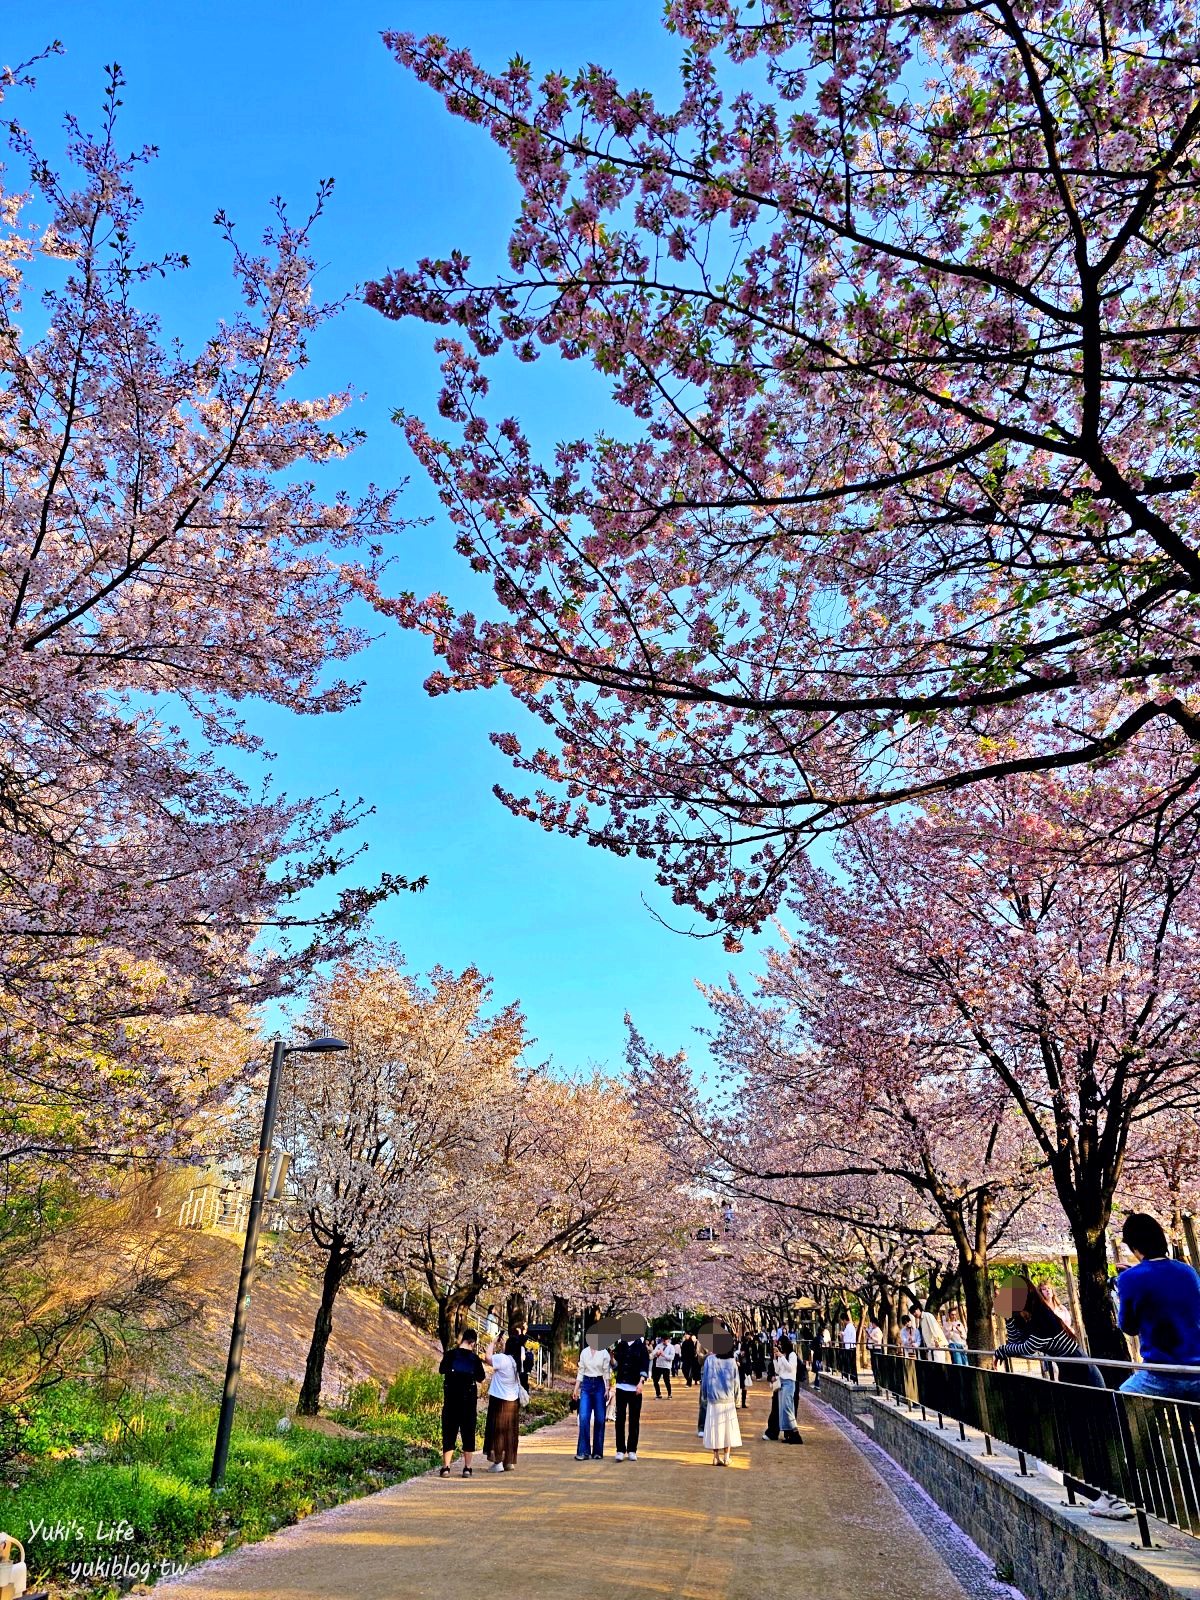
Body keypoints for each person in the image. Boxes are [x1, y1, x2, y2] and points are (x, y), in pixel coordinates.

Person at [1117, 1212, 1200, 1400]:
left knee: (1119, 1400)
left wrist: (1123, 1288)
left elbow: (1128, 1327)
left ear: (1134, 1246)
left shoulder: (1129, 1279)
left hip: (1161, 1373)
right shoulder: (1188, 1272)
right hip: (1197, 1369)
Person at [995, 1277, 1104, 1388]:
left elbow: (1028, 1348)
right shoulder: (1026, 1319)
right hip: (1065, 1367)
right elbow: (1015, 1343)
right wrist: (1008, 1318)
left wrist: (1004, 1350)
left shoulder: (1042, 1317)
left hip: (1082, 1368)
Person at [439, 1327, 486, 1478]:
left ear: (462, 1340)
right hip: (468, 1401)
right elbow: (481, 1377)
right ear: (473, 1343)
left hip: (451, 1399)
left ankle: (446, 1467)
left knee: (449, 1432)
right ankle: (467, 1468)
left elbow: (442, 1370)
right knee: (468, 1433)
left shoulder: (450, 1355)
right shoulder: (475, 1359)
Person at [483, 1331, 524, 1473]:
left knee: (497, 1430)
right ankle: (509, 1462)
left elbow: (487, 1358)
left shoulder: (503, 1359)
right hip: (513, 1401)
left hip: (499, 1400)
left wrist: (493, 1342)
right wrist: (504, 1344)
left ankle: (498, 1462)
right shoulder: (516, 1361)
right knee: (509, 1431)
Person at [701, 1330, 743, 1465]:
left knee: (715, 1427)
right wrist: (737, 1400)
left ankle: (715, 1456)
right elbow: (737, 1383)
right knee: (727, 1429)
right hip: (728, 1399)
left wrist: (705, 1396)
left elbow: (705, 1380)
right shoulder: (732, 1362)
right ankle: (726, 1457)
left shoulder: (710, 1360)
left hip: (714, 1399)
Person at [573, 1326, 613, 1459]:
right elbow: (581, 1371)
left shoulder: (604, 1353)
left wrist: (607, 1388)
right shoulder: (584, 1352)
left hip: (600, 1385)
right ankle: (583, 1451)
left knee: (600, 1419)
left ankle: (597, 1451)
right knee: (583, 1417)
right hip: (586, 1385)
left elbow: (607, 1372)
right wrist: (576, 1389)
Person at [612, 1329, 650, 1461]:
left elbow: (644, 1365)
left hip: (635, 1387)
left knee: (634, 1419)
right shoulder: (621, 1344)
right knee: (620, 1418)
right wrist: (612, 1358)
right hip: (621, 1385)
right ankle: (620, 1449)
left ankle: (632, 1449)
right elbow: (616, 1366)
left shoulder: (641, 1346)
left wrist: (641, 1382)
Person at [773, 1335, 803, 1443]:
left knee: (788, 1408)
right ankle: (789, 1434)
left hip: (789, 1383)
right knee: (783, 1409)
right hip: (782, 1383)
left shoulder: (792, 1355)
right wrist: (775, 1358)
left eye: (781, 1344)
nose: (779, 1346)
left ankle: (796, 1433)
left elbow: (790, 1368)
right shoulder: (782, 1355)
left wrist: (781, 1356)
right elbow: (777, 1370)